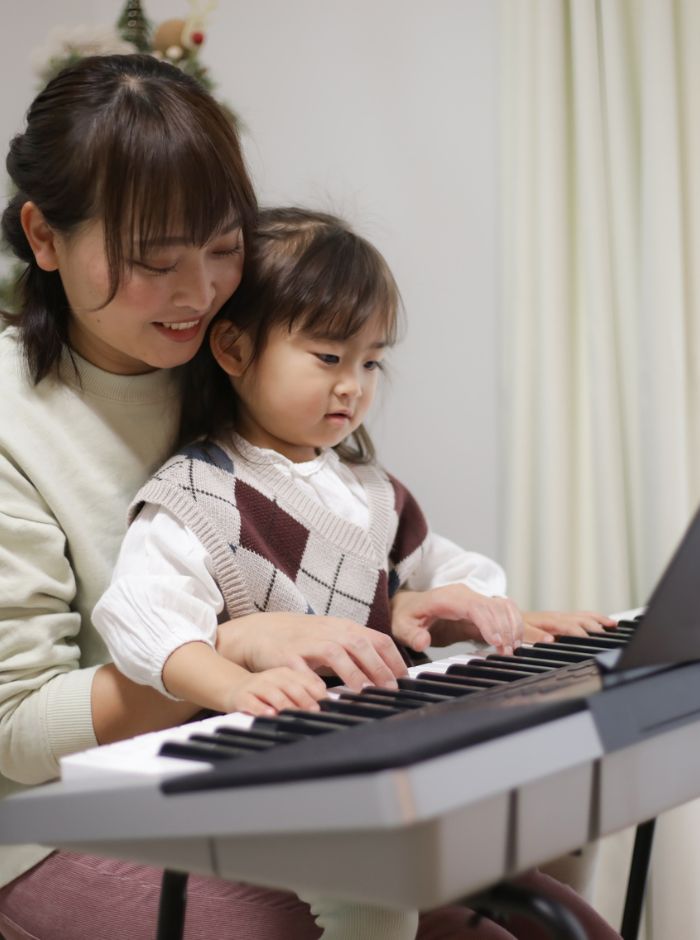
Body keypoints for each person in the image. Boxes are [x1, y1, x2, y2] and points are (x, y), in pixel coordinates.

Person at [92, 206, 621, 940]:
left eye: (370, 361)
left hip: (380, 753)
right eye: (328, 358)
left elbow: (446, 571)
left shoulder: (369, 491)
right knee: (372, 902)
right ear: (236, 349)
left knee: (560, 845)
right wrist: (237, 685)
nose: (354, 386)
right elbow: (144, 617)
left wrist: (492, 611)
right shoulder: (199, 494)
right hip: (273, 771)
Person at [0, 54, 418, 940]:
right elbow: (15, 731)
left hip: (253, 778)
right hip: (49, 825)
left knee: (536, 912)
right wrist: (223, 650)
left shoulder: (231, 348)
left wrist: (421, 608)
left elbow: (323, 560)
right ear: (43, 237)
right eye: (153, 262)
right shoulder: (14, 419)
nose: (198, 295)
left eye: (225, 247)